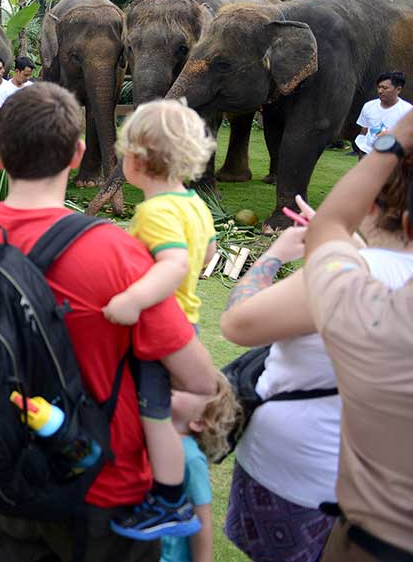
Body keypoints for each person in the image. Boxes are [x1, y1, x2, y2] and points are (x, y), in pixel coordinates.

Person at [0, 83, 217, 562]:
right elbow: (198, 378)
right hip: (104, 478)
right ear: (78, 154)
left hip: (10, 465)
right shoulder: (116, 251)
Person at [223, 109, 413, 562]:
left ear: (371, 202)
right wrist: (338, 246)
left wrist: (276, 254)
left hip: (301, 483)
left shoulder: (352, 281)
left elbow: (238, 321)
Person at [101, 100, 217, 541]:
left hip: (163, 334)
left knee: (157, 417)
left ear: (136, 159)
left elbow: (173, 262)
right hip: (187, 323)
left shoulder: (156, 212)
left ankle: (168, 501)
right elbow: (205, 254)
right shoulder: (193, 204)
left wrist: (132, 298)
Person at [160, 374, 239, 562]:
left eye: (181, 388)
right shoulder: (152, 436)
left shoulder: (190, 458)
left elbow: (201, 520)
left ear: (198, 421)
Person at [354, 71, 411, 158]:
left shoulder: (407, 110)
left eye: (385, 88)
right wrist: (361, 150)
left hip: (391, 157)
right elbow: (363, 131)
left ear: (398, 89)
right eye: (379, 87)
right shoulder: (369, 106)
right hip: (367, 153)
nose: (380, 91)